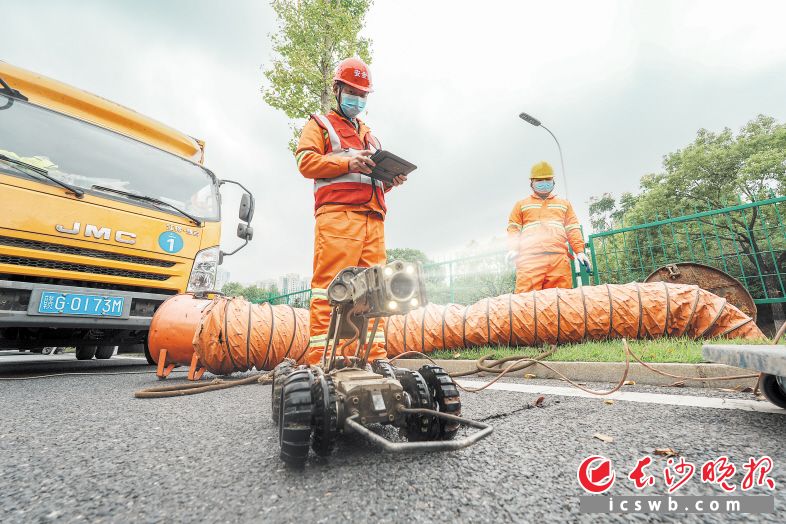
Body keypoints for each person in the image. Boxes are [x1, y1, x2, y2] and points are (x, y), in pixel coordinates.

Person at [294, 57, 407, 365]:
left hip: (373, 220)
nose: (358, 98)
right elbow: (306, 162)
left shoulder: (371, 136)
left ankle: (373, 358)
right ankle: (323, 360)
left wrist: (391, 180)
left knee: (375, 292)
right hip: (338, 218)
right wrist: (347, 161)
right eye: (353, 91)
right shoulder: (320, 125)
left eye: (363, 94)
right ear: (337, 89)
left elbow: (372, 182)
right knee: (333, 288)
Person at [506, 161, 591, 293]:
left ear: (553, 181)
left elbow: (573, 228)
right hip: (530, 259)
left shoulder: (564, 204)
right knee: (526, 303)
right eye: (539, 180)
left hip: (558, 260)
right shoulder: (521, 205)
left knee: (560, 301)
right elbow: (513, 229)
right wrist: (514, 249)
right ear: (532, 182)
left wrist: (579, 251)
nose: (544, 183)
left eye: (547, 179)